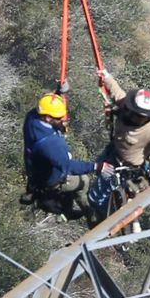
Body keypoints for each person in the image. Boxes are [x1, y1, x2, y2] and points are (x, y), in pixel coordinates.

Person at [22, 92, 113, 220]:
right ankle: (84, 213)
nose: (63, 119)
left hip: (37, 172)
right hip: (51, 180)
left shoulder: (32, 117)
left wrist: (59, 92)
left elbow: (49, 105)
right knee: (83, 182)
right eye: (59, 117)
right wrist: (97, 166)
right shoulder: (50, 143)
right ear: (47, 118)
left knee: (76, 182)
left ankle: (71, 207)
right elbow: (68, 166)